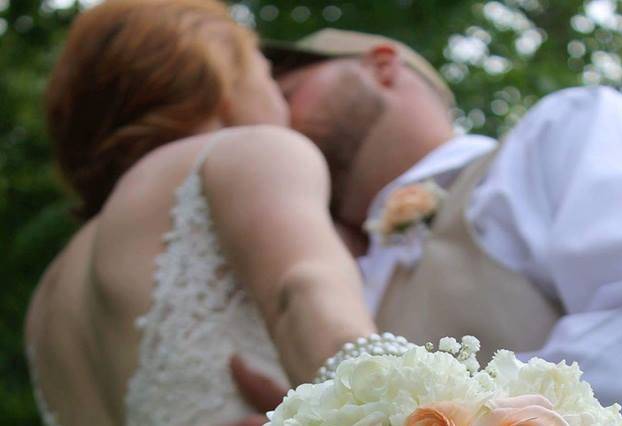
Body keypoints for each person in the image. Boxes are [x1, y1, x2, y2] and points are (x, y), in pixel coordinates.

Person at [232, 29, 622, 424]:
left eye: (286, 94)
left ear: (382, 66)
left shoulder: (559, 133)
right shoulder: (326, 270)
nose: (275, 122)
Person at [24, 3, 377, 425]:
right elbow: (301, 289)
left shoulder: (51, 290)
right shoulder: (248, 151)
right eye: (267, 73)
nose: (283, 103)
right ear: (224, 75)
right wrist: (391, 401)